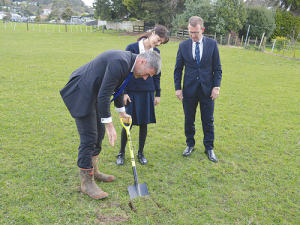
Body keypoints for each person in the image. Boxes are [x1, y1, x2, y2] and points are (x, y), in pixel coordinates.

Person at [60, 50, 161, 199]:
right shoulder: (120, 61)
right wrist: (110, 125)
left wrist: (122, 112)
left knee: (98, 134)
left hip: (94, 95)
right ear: (143, 62)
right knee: (89, 138)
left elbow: (117, 88)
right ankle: (87, 183)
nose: (145, 78)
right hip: (81, 92)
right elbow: (104, 94)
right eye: (147, 74)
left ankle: (94, 171)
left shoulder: (129, 65)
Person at [116, 25, 169, 166]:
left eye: (161, 43)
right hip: (131, 91)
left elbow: (157, 74)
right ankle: (121, 153)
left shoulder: (156, 52)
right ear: (152, 33)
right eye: (158, 40)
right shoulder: (132, 47)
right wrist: (124, 93)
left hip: (147, 92)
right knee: (128, 122)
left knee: (144, 123)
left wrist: (158, 93)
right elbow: (124, 71)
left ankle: (141, 152)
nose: (158, 44)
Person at [174, 16, 222, 162]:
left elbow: (217, 69)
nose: (193, 36)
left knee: (208, 120)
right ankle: (190, 144)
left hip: (207, 90)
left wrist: (216, 87)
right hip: (189, 90)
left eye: (196, 32)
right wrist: (178, 88)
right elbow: (178, 69)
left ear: (202, 29)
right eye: (190, 32)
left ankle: (209, 147)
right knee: (189, 119)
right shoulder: (183, 46)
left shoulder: (212, 44)